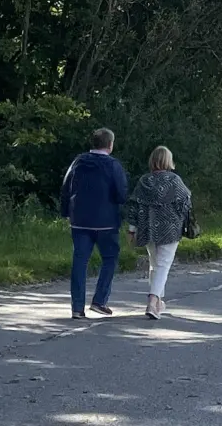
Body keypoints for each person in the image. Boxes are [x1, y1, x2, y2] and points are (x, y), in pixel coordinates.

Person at [61, 128, 129, 319]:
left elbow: (66, 187)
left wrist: (66, 211)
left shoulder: (78, 162)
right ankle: (99, 300)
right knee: (110, 258)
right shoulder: (113, 165)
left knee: (80, 261)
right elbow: (121, 193)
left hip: (80, 220)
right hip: (106, 221)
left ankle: (77, 307)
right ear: (110, 145)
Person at [130, 145, 192, 320]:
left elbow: (134, 206)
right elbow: (186, 203)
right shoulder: (174, 181)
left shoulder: (144, 181)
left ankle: (158, 301)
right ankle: (152, 300)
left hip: (148, 228)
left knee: (155, 264)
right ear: (168, 161)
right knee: (163, 265)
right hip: (170, 229)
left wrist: (131, 229)